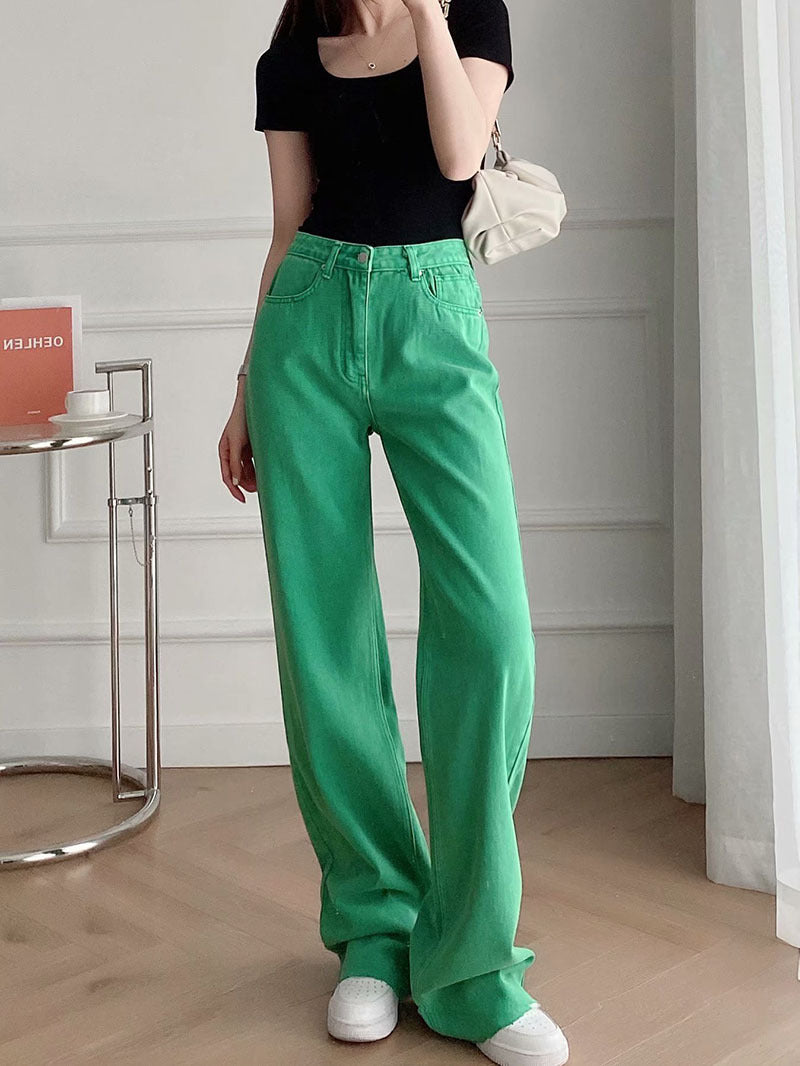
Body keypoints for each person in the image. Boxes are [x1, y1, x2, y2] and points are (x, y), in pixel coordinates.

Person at [218, 2, 569, 1063]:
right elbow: (286, 229)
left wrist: (424, 10)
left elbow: (459, 156)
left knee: (492, 634)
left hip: (434, 316)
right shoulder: (291, 55)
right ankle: (374, 926)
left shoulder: (469, 16)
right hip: (307, 328)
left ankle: (469, 963)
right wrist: (245, 386)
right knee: (325, 639)